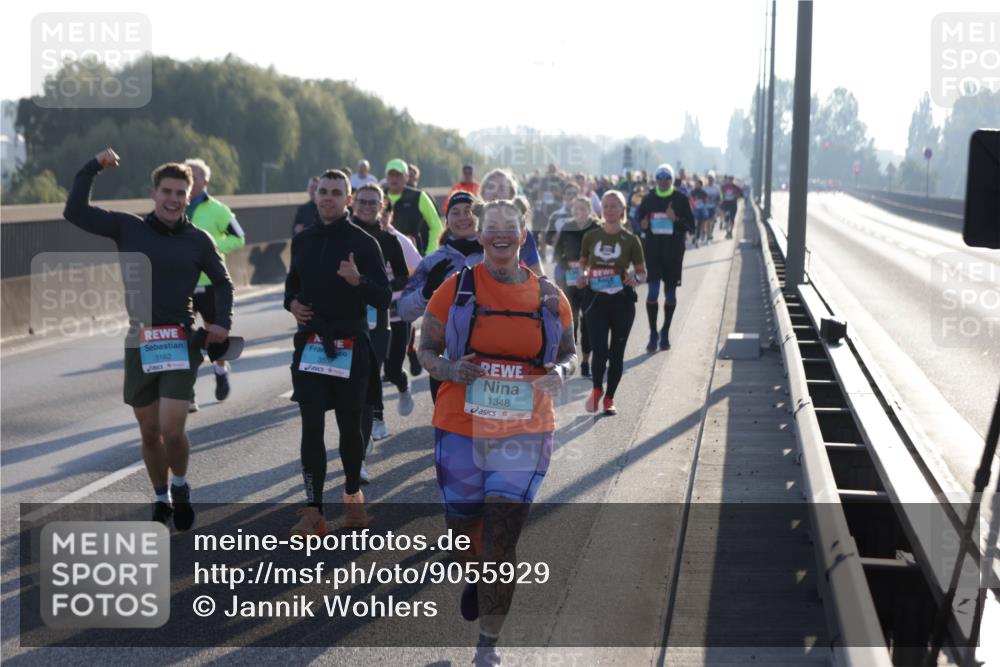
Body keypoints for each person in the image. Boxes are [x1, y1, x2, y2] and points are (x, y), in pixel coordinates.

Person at [417, 198, 576, 667]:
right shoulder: (455, 289)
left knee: (502, 536)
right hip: (460, 423)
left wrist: (562, 374)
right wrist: (449, 367)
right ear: (481, 235)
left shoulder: (549, 297)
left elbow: (570, 352)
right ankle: (475, 573)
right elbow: (425, 348)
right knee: (463, 524)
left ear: (523, 236)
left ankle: (487, 645)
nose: (501, 235)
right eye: (493, 228)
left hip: (525, 427)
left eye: (511, 227)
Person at [64, 148, 234, 529]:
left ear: (188, 198)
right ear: (154, 195)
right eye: (167, 192)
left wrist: (222, 322)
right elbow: (74, 211)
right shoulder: (128, 228)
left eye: (180, 193)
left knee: (173, 427)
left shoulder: (199, 240)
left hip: (181, 340)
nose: (173, 199)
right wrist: (93, 166)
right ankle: (161, 498)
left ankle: (181, 484)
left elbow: (223, 282)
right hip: (139, 341)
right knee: (149, 430)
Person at [284, 169, 391, 535]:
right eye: (323, 191)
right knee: (311, 427)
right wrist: (292, 306)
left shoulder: (363, 243)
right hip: (312, 345)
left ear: (348, 200)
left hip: (350, 345)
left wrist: (357, 280)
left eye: (336, 193)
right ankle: (314, 511)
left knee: (349, 428)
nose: (328, 198)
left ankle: (351, 494)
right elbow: (292, 288)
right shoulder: (303, 241)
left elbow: (383, 295)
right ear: (316, 196)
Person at [399, 190, 485, 402]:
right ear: (447, 220)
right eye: (455, 212)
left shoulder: (495, 254)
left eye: (469, 211)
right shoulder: (433, 261)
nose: (463, 217)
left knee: (489, 431)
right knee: (449, 432)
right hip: (447, 361)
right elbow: (404, 310)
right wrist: (427, 291)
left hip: (490, 358)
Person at [352, 184, 411, 482]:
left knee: (365, 384)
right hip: (342, 320)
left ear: (381, 206)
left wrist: (382, 284)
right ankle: (361, 439)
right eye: (361, 201)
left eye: (372, 202)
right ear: (352, 203)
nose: (366, 206)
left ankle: (358, 456)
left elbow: (402, 274)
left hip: (377, 321)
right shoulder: (341, 234)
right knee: (345, 395)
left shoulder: (388, 240)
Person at [184, 158, 245, 410]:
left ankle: (220, 369)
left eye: (195, 176)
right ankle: (186, 391)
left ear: (205, 181)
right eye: (187, 175)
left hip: (210, 282)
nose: (191, 180)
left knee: (215, 333)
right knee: (182, 337)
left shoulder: (218, 210)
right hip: (182, 283)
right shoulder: (175, 206)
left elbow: (239, 237)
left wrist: (215, 249)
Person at [577, 190, 646, 415]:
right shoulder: (591, 237)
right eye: (606, 206)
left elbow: (642, 273)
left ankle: (609, 398)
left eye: (614, 206)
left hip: (622, 302)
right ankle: (597, 388)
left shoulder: (631, 240)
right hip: (595, 300)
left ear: (622, 210)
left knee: (617, 352)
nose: (609, 210)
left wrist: (634, 278)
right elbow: (582, 264)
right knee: (599, 349)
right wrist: (581, 276)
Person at [636, 164, 695, 353]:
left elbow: (691, 226)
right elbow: (639, 221)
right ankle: (653, 333)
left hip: (673, 255)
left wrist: (675, 219)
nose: (663, 181)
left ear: (672, 179)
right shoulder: (649, 199)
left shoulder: (680, 199)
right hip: (653, 253)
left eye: (666, 178)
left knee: (670, 296)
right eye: (659, 178)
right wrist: (642, 224)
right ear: (655, 179)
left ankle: (665, 331)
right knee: (652, 293)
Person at [553, 195, 600, 377]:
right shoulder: (567, 227)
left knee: (588, 320)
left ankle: (586, 363)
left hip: (591, 280)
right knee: (572, 320)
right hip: (570, 280)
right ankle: (569, 359)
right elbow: (557, 253)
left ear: (589, 211)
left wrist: (588, 267)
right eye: (576, 210)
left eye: (583, 210)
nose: (579, 213)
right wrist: (567, 265)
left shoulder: (596, 228)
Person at [480, 167, 544, 276]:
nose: (495, 193)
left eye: (501, 188)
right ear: (483, 193)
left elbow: (538, 274)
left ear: (511, 195)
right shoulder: (466, 227)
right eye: (490, 187)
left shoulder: (521, 234)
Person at [384, 158, 442, 256]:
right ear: (386, 177)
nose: (394, 178)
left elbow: (436, 226)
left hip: (413, 255)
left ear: (406, 177)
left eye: (398, 175)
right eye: (391, 175)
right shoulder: (379, 196)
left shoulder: (419, 196)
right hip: (384, 254)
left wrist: (430, 253)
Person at [702, 171, 722, 242]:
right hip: (706, 207)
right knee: (707, 222)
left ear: (714, 179)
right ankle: (708, 235)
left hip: (714, 207)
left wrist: (719, 206)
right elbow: (701, 197)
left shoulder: (717, 188)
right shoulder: (704, 188)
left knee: (712, 222)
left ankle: (710, 233)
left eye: (711, 178)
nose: (710, 179)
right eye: (709, 178)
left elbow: (719, 197)